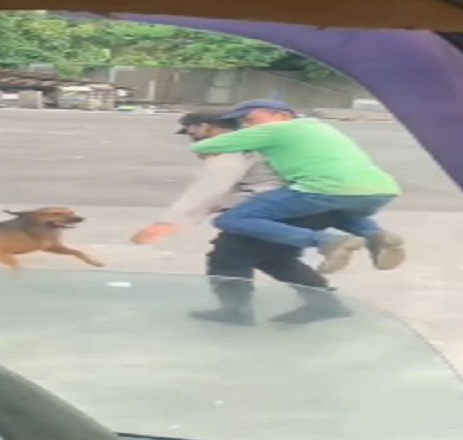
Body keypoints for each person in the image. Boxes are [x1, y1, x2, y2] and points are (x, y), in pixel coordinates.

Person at [132, 109, 350, 325]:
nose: (193, 140)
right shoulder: (261, 143)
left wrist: (168, 222)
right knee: (277, 259)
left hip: (262, 211)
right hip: (294, 207)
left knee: (228, 260)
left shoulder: (232, 148)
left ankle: (235, 311)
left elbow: (210, 189)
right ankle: (326, 303)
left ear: (204, 128)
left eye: (192, 132)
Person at [187, 99, 406, 275]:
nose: (247, 125)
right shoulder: (320, 127)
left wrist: (206, 135)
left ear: (282, 116)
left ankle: (325, 242)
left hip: (323, 189)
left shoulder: (275, 130)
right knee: (333, 208)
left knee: (231, 220)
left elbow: (204, 146)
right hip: (380, 190)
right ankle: (376, 236)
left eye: (251, 119)